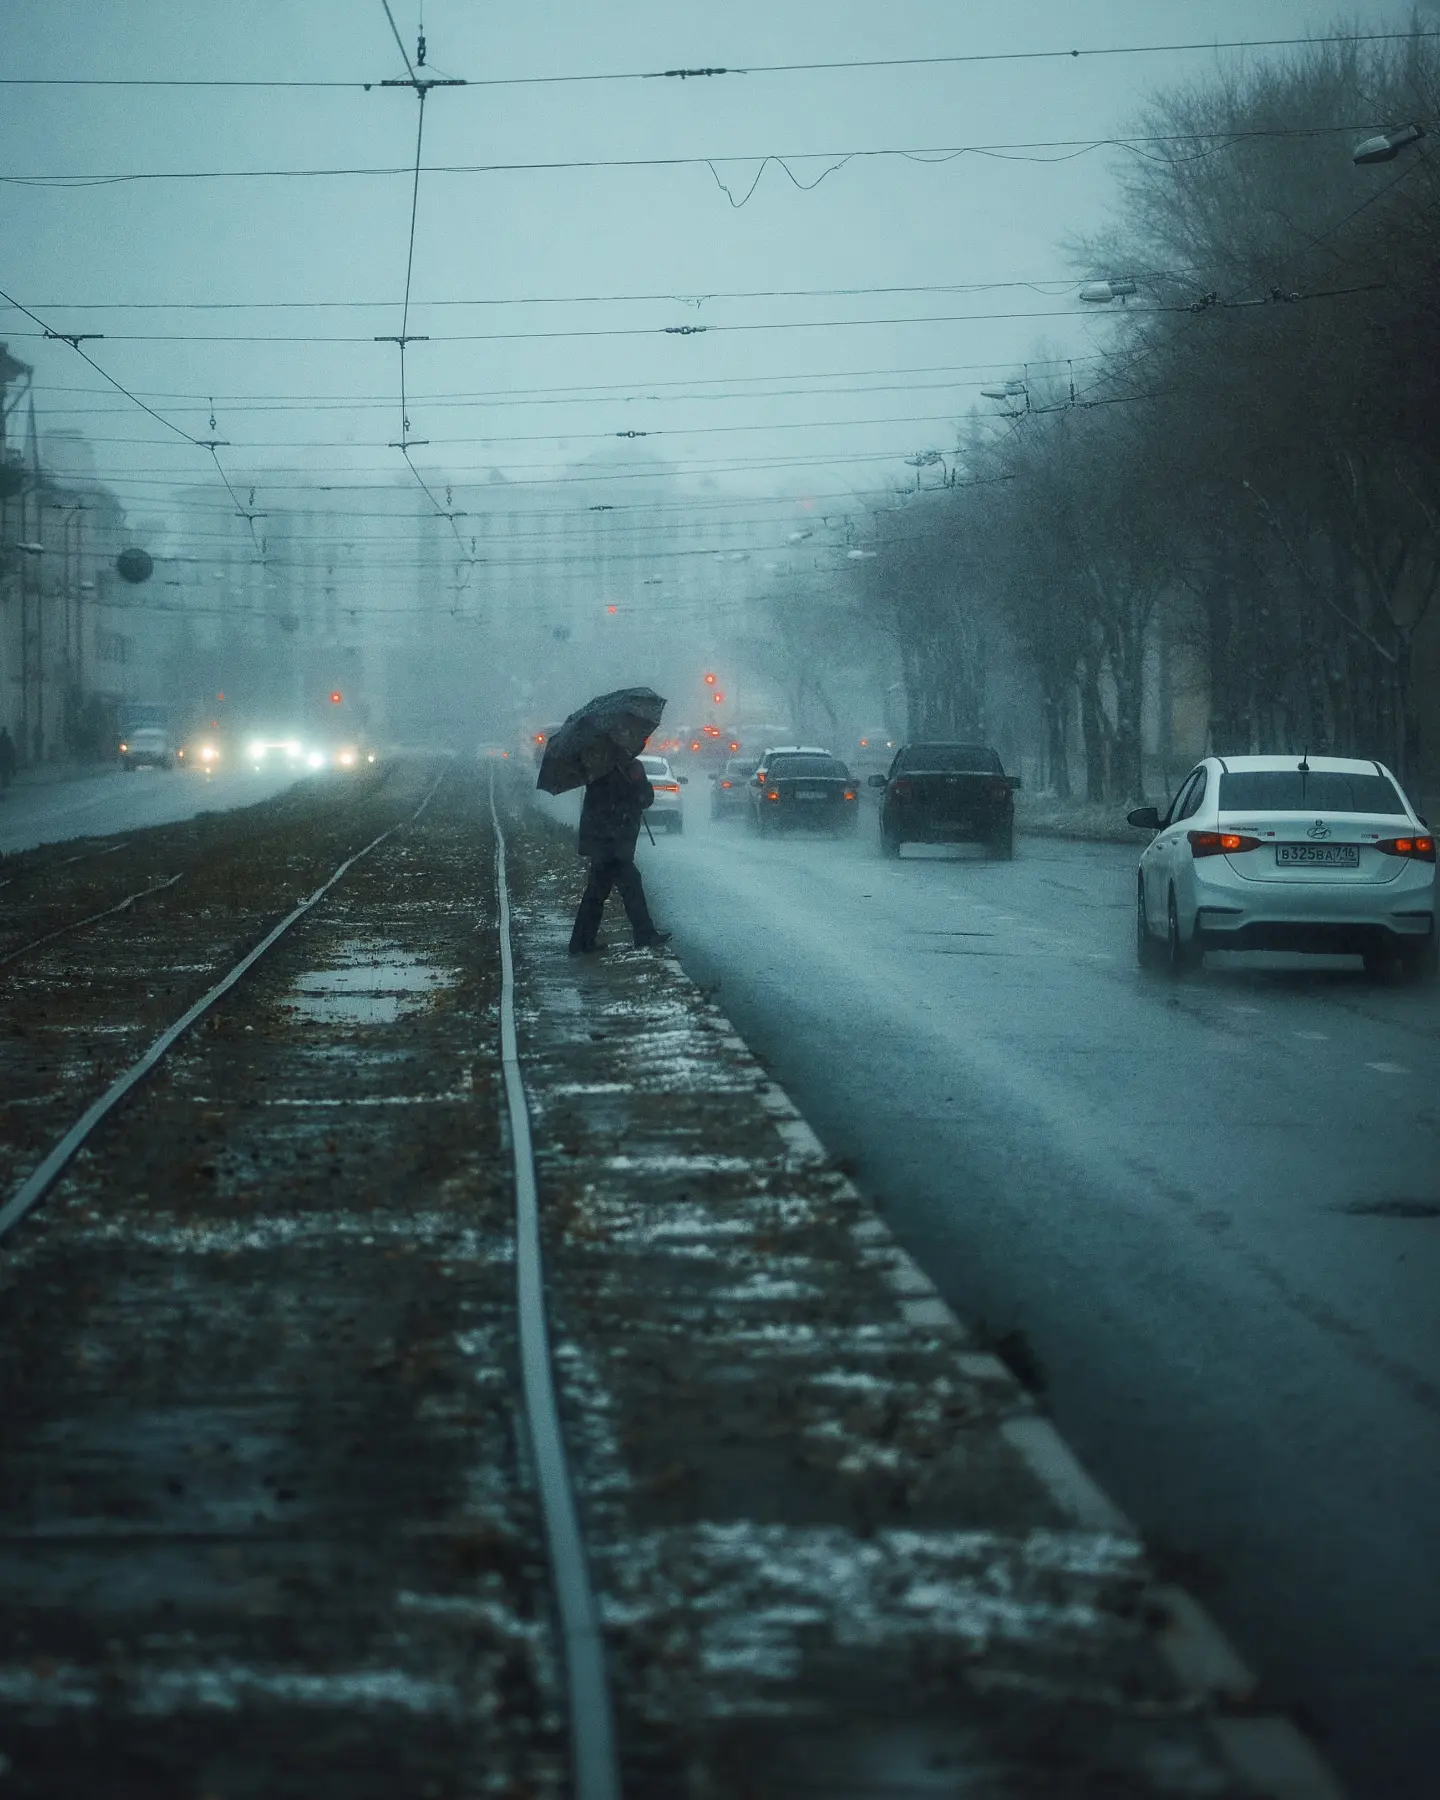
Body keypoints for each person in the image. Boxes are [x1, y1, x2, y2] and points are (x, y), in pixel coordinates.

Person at [570, 756, 670, 954]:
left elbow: (645, 799)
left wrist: (637, 784)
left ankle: (582, 942)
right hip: (611, 842)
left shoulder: (605, 766)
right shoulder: (604, 768)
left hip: (609, 842)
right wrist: (633, 786)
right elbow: (611, 802)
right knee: (627, 886)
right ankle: (644, 935)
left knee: (598, 892)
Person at [0, 726, 15, 792]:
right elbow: (11, 749)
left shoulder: (2, 738)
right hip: (6, 757)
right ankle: (5, 785)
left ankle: (4, 784)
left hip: (3, 757)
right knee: (5, 772)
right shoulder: (8, 739)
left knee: (4, 772)